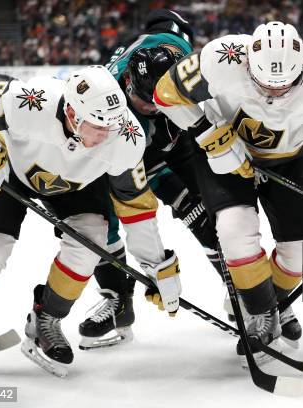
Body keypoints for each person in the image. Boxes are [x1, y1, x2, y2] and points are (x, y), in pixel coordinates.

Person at [154, 21, 303, 365]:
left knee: (301, 252)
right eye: (263, 84)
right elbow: (166, 93)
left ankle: (270, 303)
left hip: (289, 158)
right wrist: (207, 133)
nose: (273, 94)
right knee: (233, 229)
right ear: (247, 65)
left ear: (301, 67)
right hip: (223, 150)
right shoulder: (222, 57)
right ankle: (262, 315)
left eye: (284, 86)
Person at [0, 65, 181, 375]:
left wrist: (156, 265)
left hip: (77, 185)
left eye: (111, 125)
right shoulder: (32, 101)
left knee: (92, 241)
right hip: (10, 171)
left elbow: (137, 208)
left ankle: (45, 320)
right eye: (96, 126)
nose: (105, 135)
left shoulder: (126, 137)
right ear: (71, 111)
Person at [77, 10, 225, 350]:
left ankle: (246, 291)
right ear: (128, 82)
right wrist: (158, 263)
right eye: (144, 102)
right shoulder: (110, 101)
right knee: (101, 218)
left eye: (155, 102)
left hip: (177, 135)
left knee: (212, 209)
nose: (150, 107)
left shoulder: (182, 68)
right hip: (127, 147)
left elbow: (171, 28)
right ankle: (118, 300)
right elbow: (138, 187)